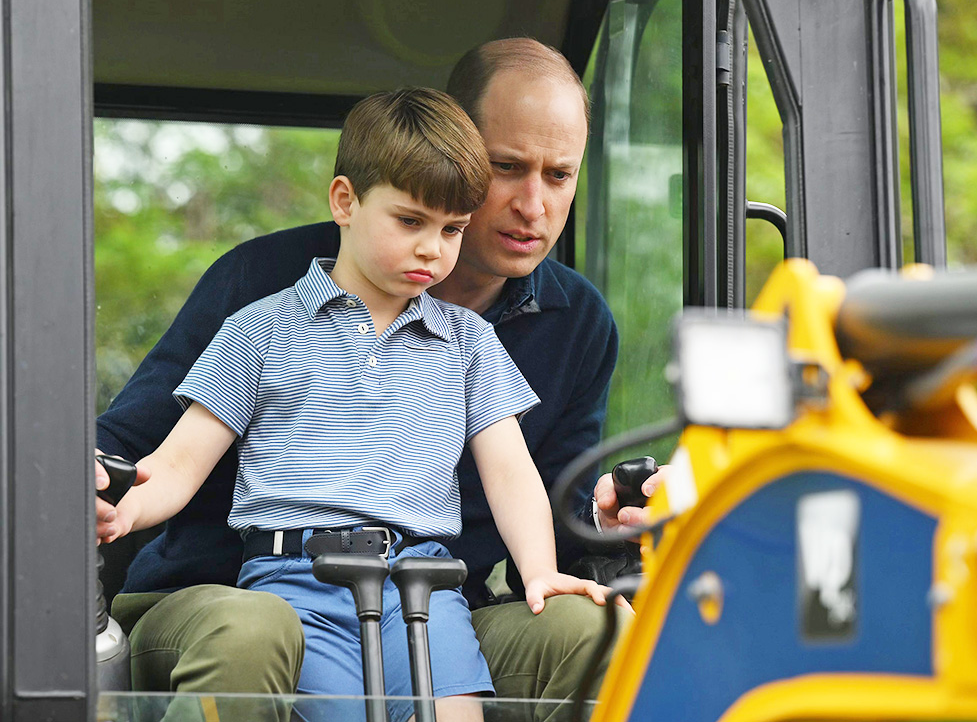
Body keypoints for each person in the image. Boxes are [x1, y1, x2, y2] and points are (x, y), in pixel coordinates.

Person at [96, 38, 623, 722]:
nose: (534, 204)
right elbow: (162, 456)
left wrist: (572, 548)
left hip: (430, 587)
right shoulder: (261, 312)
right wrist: (121, 502)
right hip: (276, 584)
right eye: (507, 167)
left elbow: (524, 476)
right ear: (348, 200)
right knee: (300, 675)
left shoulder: (484, 339)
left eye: (559, 175)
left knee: (513, 679)